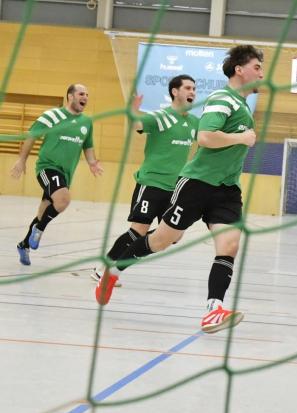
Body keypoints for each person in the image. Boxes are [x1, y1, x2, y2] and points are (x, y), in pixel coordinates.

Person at [95, 45, 264, 335]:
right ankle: (113, 271)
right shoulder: (222, 98)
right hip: (197, 184)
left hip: (227, 189)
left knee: (230, 246)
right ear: (240, 69)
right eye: (257, 67)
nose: (262, 73)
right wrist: (243, 138)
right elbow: (207, 137)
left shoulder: (241, 106)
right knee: (162, 240)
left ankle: (213, 309)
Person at [93, 75, 199, 282]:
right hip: (152, 183)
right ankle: (104, 268)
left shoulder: (195, 122)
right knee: (138, 230)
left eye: (194, 88)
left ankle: (124, 258)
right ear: (175, 92)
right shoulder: (160, 117)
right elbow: (136, 124)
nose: (193, 92)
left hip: (175, 187)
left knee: (174, 236)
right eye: (188, 87)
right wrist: (132, 111)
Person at [11, 83, 104, 265]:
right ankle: (40, 229)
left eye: (87, 94)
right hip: (47, 167)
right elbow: (32, 135)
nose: (85, 97)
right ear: (70, 96)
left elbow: (88, 146)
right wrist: (22, 160)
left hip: (66, 174)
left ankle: (24, 245)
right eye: (81, 93)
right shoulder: (52, 115)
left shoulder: (86, 122)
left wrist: (92, 162)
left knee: (43, 212)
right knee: (63, 200)